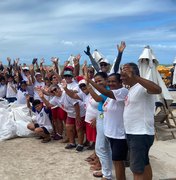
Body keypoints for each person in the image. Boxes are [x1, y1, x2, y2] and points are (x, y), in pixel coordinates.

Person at [121, 63, 162, 180]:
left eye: (125, 73)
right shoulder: (131, 88)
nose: (122, 76)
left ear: (134, 73)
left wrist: (136, 77)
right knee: (144, 163)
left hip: (139, 134)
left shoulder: (142, 86)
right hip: (135, 133)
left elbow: (157, 89)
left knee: (136, 169)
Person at [87, 73, 128, 180]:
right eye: (109, 81)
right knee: (106, 150)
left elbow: (99, 98)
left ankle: (107, 174)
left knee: (103, 150)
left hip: (118, 132)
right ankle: (106, 172)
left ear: (120, 82)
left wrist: (90, 83)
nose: (110, 84)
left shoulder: (120, 92)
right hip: (109, 128)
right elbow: (106, 109)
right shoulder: (111, 93)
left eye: (113, 81)